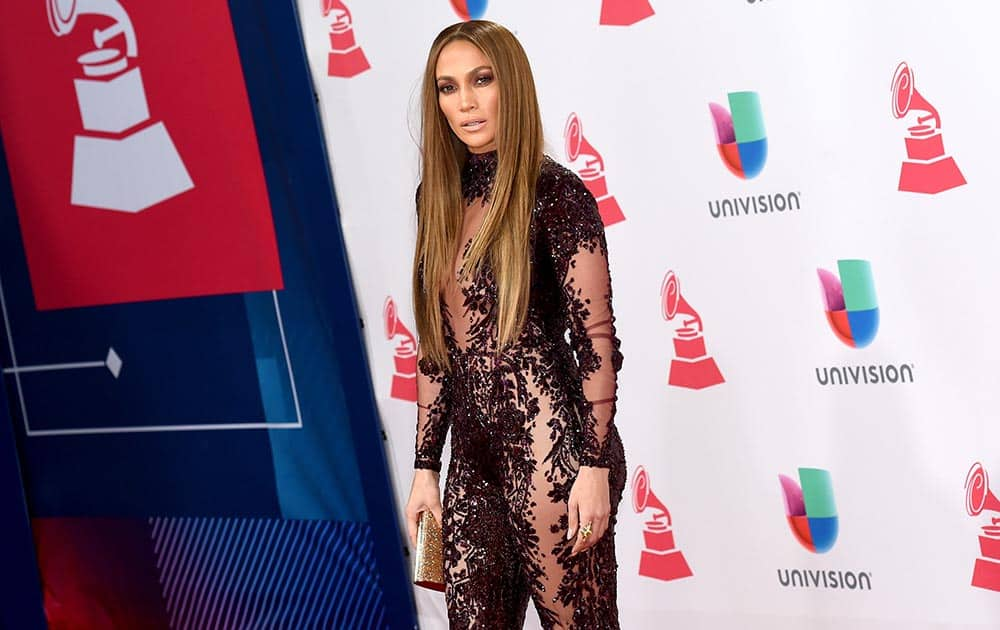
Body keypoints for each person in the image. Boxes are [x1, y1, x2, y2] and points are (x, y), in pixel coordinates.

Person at [404, 20, 627, 629]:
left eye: (482, 80)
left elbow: (596, 341)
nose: (466, 102)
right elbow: (437, 347)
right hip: (470, 464)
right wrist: (425, 467)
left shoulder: (555, 192)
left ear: (514, 86)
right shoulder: (436, 197)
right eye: (448, 87)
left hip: (554, 453)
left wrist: (594, 462)